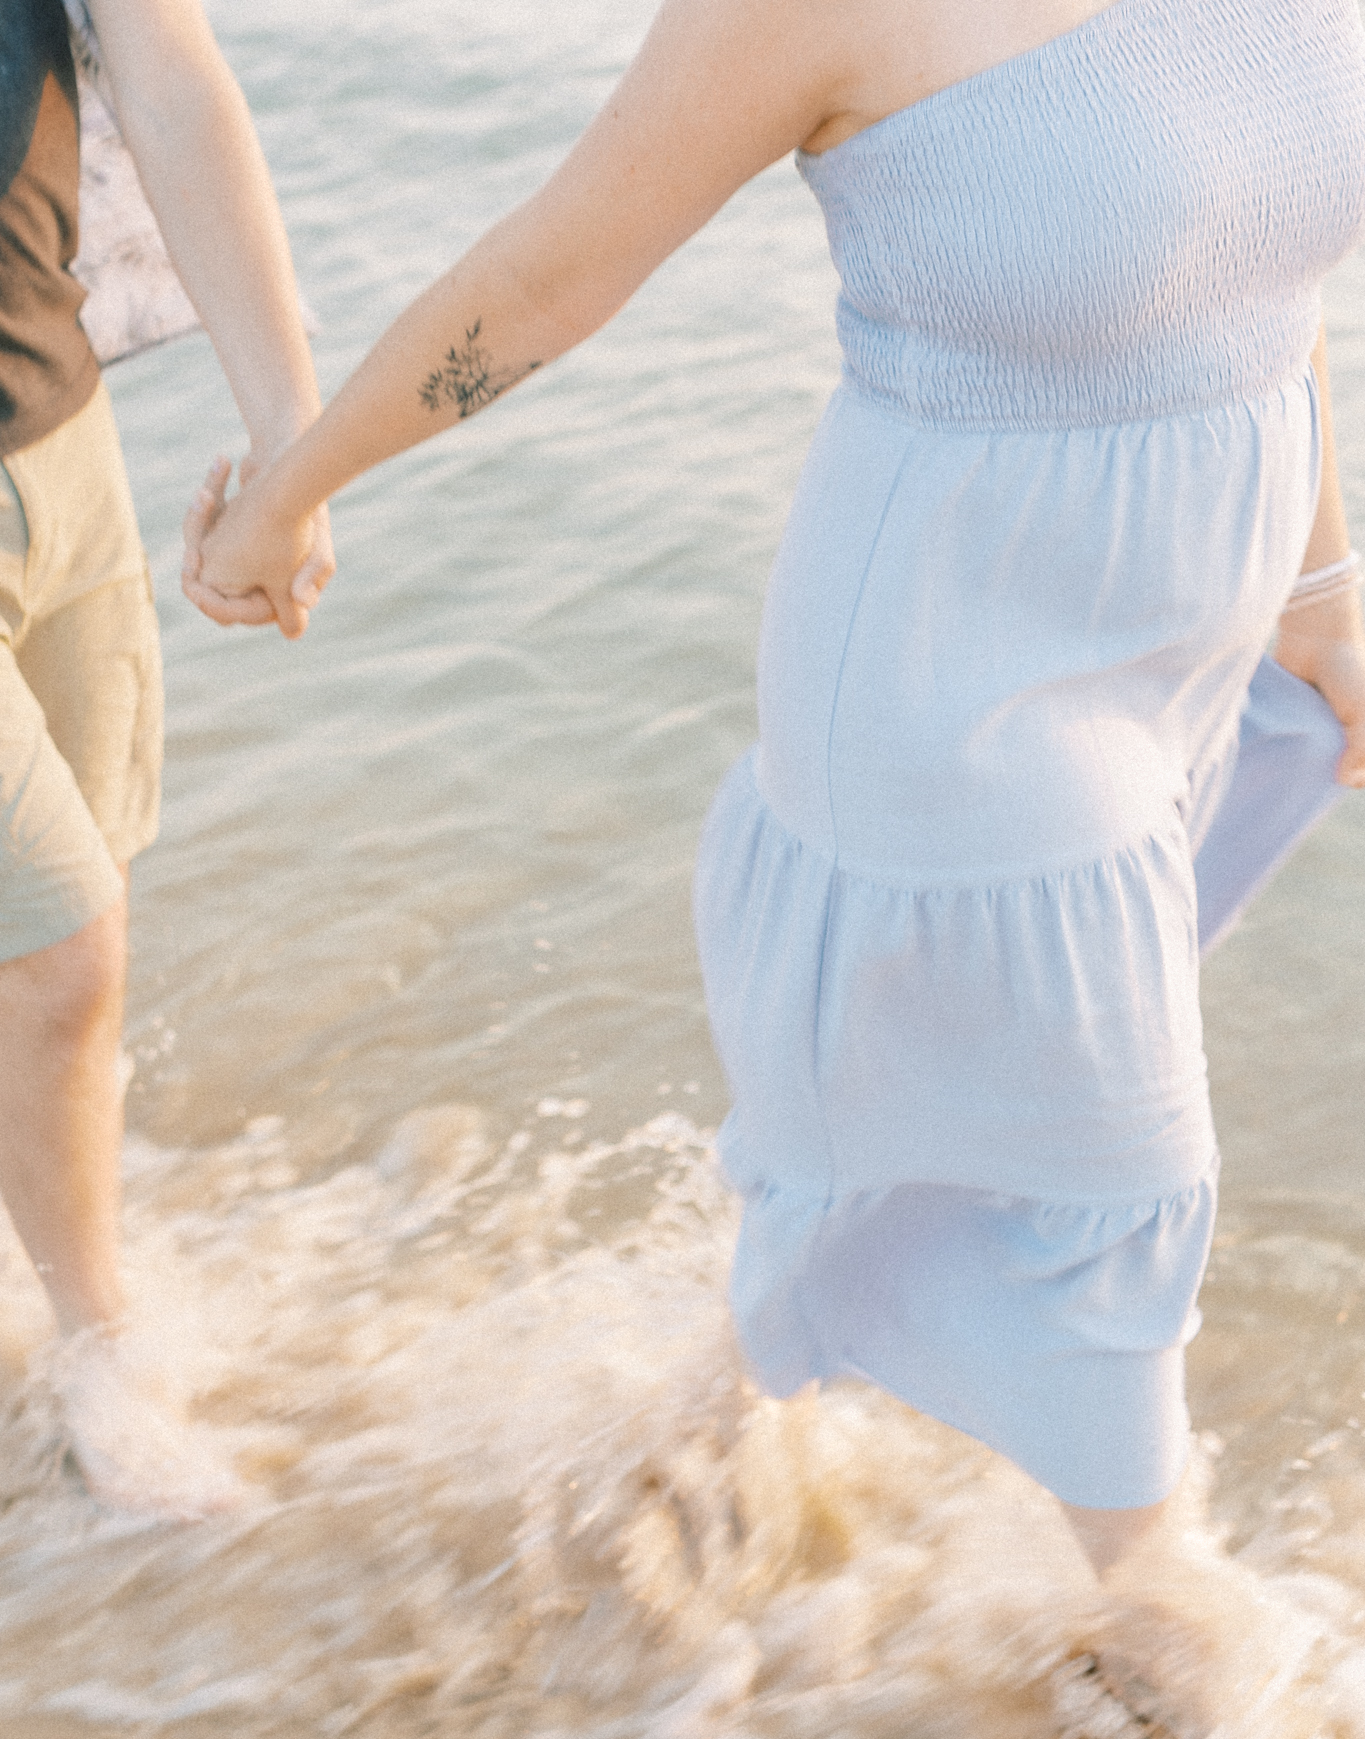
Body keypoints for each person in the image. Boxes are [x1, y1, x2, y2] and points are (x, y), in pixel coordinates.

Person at [186, 0, 1365, 1587]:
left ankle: (691, 1446)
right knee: (1118, 1176)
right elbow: (552, 276)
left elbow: (1259, 259)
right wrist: (290, 484)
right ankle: (1173, 1649)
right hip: (956, 677)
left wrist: (1323, 582)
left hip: (1188, 647)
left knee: (962, 1104)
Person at [0, 0, 332, 1514]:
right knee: (65, 949)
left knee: (70, 921)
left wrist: (292, 438)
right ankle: (97, 1375)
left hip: (55, 434)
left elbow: (168, 68)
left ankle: (64, 1306)